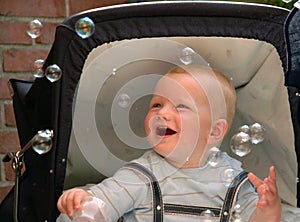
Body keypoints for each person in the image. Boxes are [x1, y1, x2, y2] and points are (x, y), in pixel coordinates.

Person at [57, 65, 281, 221]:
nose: (161, 113)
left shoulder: (233, 178)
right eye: (156, 105)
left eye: (180, 106)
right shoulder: (141, 175)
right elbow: (104, 203)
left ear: (214, 131)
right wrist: (84, 201)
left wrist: (267, 211)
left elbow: (253, 217)